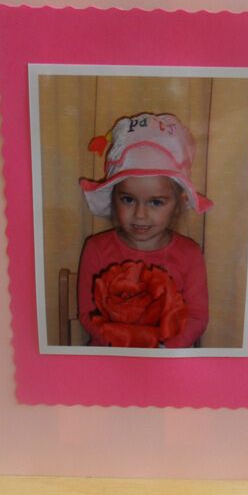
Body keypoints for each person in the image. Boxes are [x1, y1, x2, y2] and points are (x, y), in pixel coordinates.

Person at [78, 112, 213, 348]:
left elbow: (197, 317)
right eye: (128, 200)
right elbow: (87, 314)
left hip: (167, 358)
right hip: (111, 357)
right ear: (113, 198)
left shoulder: (189, 254)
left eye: (156, 202)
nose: (140, 214)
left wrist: (163, 350)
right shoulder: (96, 248)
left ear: (177, 204)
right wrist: (122, 346)